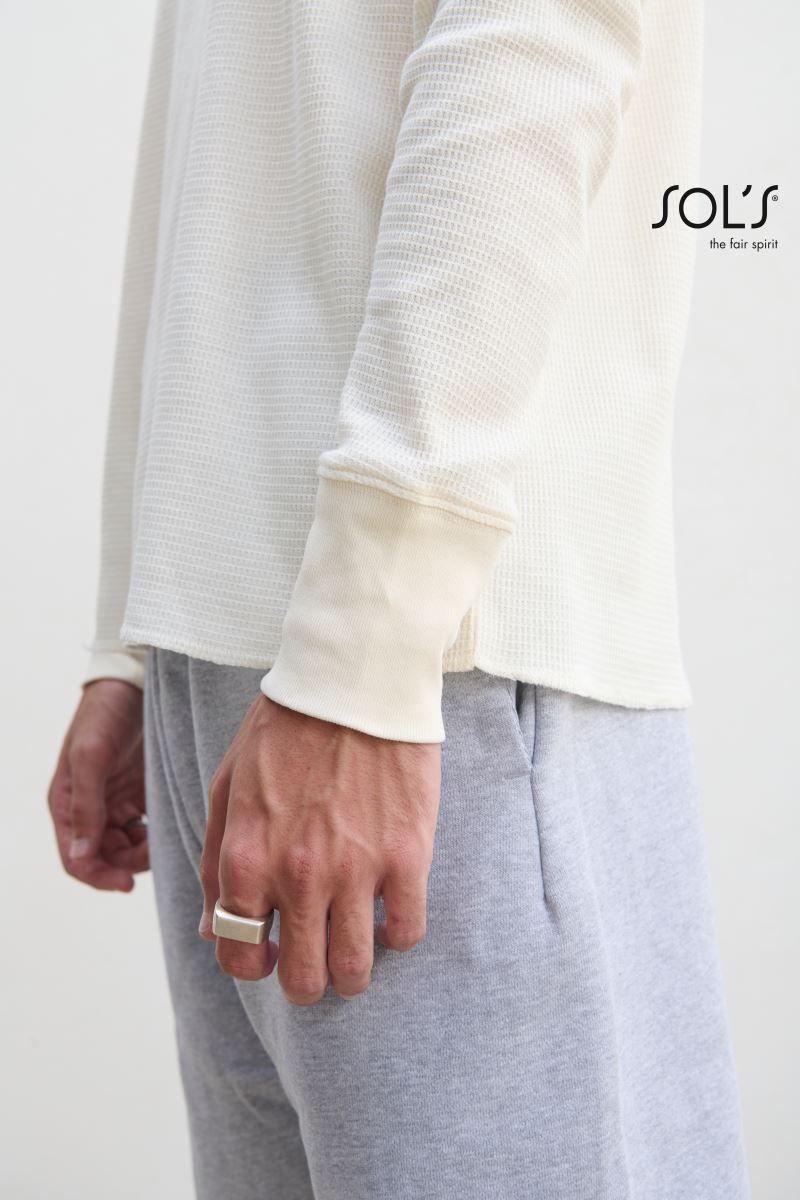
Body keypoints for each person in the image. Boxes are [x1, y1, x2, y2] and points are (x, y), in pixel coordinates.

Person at [47, 1, 752, 1197]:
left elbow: (533, 41)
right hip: (247, 672)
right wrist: (136, 630)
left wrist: (368, 640)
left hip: (431, 668)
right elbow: (210, 144)